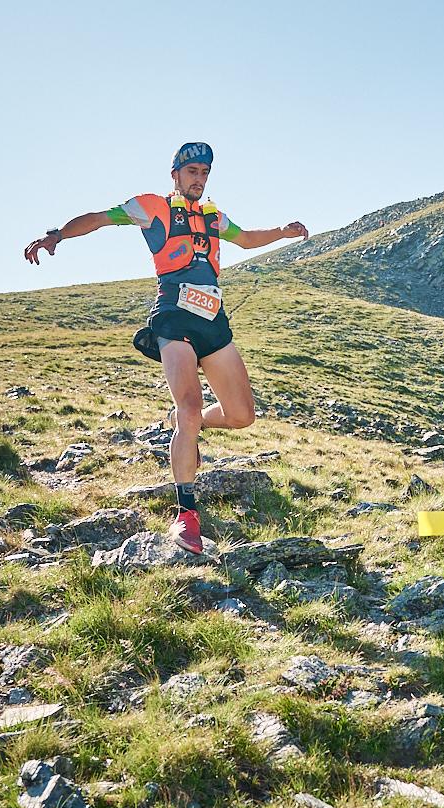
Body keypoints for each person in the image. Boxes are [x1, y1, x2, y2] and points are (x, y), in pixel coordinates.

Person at [23, 142, 308, 553]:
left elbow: (246, 239)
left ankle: (188, 425)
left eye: (204, 172)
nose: (199, 178)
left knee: (242, 415)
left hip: (213, 319)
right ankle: (186, 514)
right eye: (191, 171)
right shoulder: (152, 207)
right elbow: (99, 219)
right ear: (175, 174)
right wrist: (57, 235)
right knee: (189, 407)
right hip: (174, 316)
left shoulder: (213, 216)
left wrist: (281, 232)